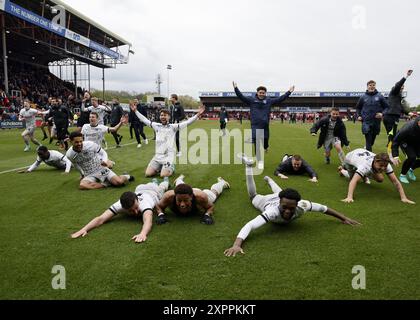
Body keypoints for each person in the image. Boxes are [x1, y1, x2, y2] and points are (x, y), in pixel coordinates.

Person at [224, 154, 361, 257]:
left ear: (297, 205)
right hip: (266, 201)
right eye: (285, 208)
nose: (289, 211)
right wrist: (236, 245)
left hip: (280, 196)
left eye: (291, 208)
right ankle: (249, 167)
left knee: (280, 192)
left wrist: (344, 218)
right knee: (253, 196)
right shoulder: (272, 212)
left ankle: (270, 181)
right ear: (280, 204)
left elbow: (324, 208)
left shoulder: (302, 205)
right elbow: (250, 225)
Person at [71, 180, 169, 243]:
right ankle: (154, 181)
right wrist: (84, 229)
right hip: (140, 188)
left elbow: (148, 221)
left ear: (137, 200)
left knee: (163, 186)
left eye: (136, 208)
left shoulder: (145, 204)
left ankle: (165, 180)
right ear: (123, 207)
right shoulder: (119, 205)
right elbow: (101, 219)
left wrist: (143, 233)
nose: (135, 212)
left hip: (154, 192)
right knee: (152, 183)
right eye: (130, 211)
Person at [130, 103, 205, 178]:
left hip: (168, 157)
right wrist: (136, 111)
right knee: (148, 174)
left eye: (165, 115)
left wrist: (198, 114)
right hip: (157, 156)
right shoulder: (156, 126)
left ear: (169, 117)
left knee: (163, 175)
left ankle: (171, 167)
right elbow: (144, 119)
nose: (163, 117)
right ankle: (160, 167)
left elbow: (187, 122)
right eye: (161, 115)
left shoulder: (173, 127)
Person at [233, 82, 295, 169]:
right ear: (257, 92)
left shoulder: (269, 101)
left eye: (263, 93)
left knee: (265, 141)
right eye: (260, 92)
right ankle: (259, 161)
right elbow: (241, 97)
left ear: (265, 93)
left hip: (265, 126)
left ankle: (266, 147)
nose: (261, 94)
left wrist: (289, 92)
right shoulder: (251, 100)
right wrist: (236, 88)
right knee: (257, 142)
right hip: (255, 125)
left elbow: (280, 99)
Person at [338, 148, 415, 204]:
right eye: (381, 165)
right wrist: (349, 197)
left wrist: (403, 197)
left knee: (380, 179)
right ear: (375, 161)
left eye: (385, 166)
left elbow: (396, 182)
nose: (383, 168)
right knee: (353, 179)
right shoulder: (365, 165)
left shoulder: (385, 164)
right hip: (350, 158)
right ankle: (342, 170)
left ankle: (363, 176)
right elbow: (353, 181)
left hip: (362, 154)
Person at [66, 132, 134, 190]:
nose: (79, 144)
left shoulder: (90, 145)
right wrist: (82, 174)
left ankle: (126, 176)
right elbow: (76, 165)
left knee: (119, 182)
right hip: (89, 175)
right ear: (70, 141)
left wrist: (104, 161)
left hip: (100, 169)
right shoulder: (69, 154)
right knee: (82, 185)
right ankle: (106, 184)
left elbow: (103, 152)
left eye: (81, 141)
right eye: (76, 142)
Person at [154, 175, 230, 225]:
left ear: (191, 197)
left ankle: (222, 182)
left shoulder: (201, 197)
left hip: (199, 192)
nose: (182, 204)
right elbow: (158, 206)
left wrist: (207, 215)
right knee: (180, 187)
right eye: (179, 200)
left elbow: (211, 206)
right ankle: (179, 179)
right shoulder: (168, 196)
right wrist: (161, 215)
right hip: (184, 192)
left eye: (186, 200)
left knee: (214, 193)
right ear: (175, 196)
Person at [384, 70, 414, 155]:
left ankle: (392, 153)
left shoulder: (398, 97)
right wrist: (406, 76)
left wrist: (408, 113)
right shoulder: (394, 91)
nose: (401, 88)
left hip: (394, 117)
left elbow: (400, 108)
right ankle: (391, 155)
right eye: (401, 87)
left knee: (394, 136)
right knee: (392, 136)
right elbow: (398, 85)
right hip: (390, 116)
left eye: (403, 88)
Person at [356, 80, 389, 152]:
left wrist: (382, 114)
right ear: (367, 87)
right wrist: (358, 116)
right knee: (368, 139)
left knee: (372, 141)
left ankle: (367, 148)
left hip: (376, 122)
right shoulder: (363, 97)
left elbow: (387, 107)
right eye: (370, 85)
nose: (372, 86)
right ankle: (370, 159)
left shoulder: (380, 96)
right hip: (366, 121)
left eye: (373, 85)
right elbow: (358, 108)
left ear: (375, 86)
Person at [391, 117, 420, 184]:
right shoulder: (408, 128)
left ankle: (411, 169)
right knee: (412, 157)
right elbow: (396, 141)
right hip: (405, 142)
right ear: (418, 123)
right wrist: (395, 156)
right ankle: (403, 175)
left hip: (417, 142)